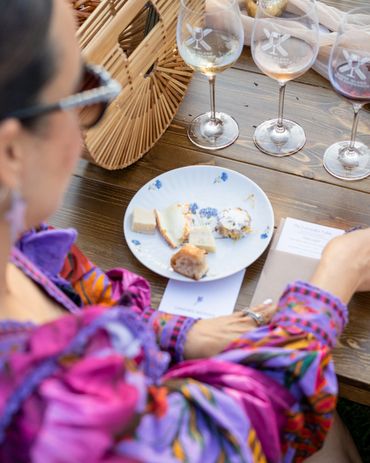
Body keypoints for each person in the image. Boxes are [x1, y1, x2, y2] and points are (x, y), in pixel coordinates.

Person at [0, 1, 365, 462]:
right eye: (86, 90)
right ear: (11, 151)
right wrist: (339, 273)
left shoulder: (16, 238)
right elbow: (239, 432)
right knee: (326, 435)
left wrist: (176, 335)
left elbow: (81, 297)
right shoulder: (43, 410)